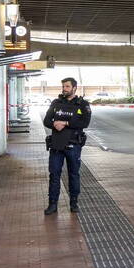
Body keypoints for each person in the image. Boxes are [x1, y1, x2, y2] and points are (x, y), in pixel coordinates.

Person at [43, 77, 91, 215]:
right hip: (56, 145)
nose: (64, 89)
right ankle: (52, 204)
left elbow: (85, 123)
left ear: (74, 88)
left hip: (74, 145)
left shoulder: (82, 104)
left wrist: (66, 123)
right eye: (63, 86)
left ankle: (74, 203)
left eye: (67, 86)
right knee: (54, 175)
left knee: (74, 174)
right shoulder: (56, 103)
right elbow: (47, 120)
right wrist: (54, 124)